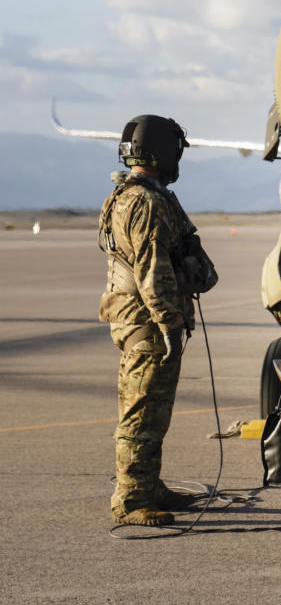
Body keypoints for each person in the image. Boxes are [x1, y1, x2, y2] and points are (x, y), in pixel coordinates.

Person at [98, 115, 201, 526]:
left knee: (153, 409)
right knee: (141, 411)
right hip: (148, 324)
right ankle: (130, 498)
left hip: (139, 320)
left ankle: (148, 484)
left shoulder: (131, 195)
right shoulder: (145, 201)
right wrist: (169, 323)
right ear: (160, 152)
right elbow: (152, 269)